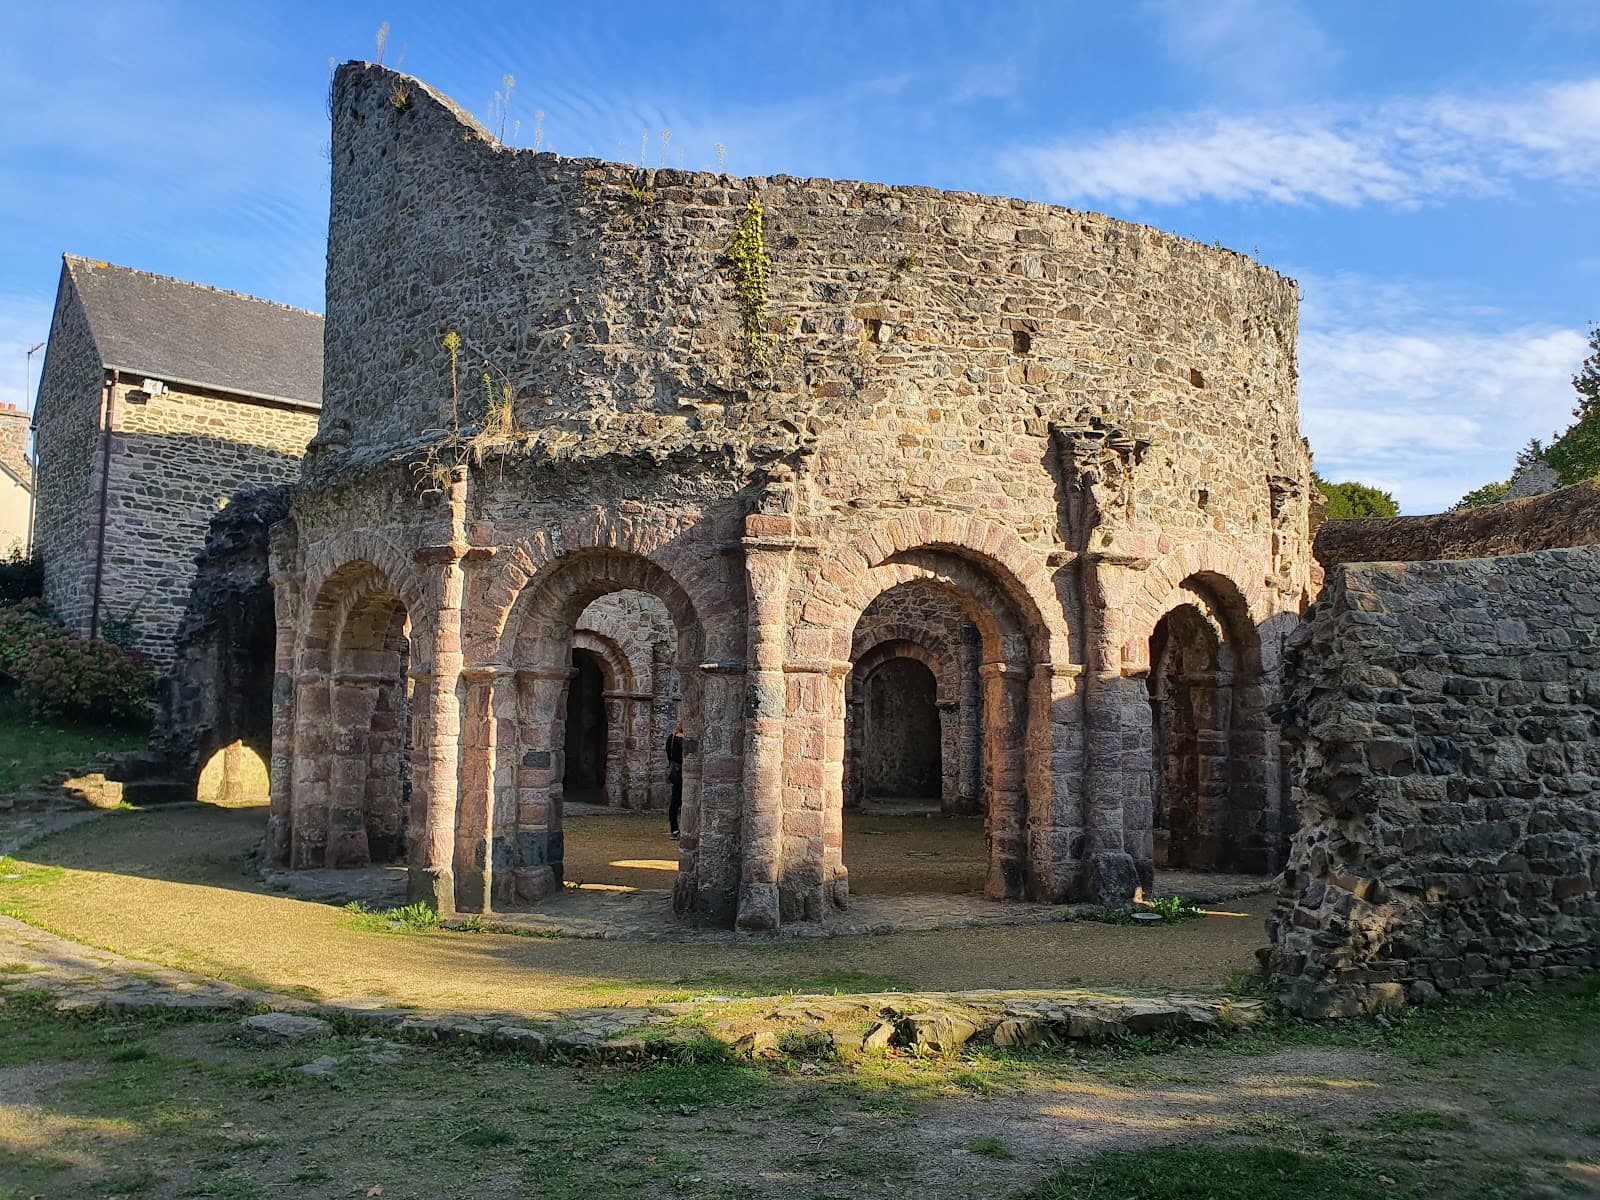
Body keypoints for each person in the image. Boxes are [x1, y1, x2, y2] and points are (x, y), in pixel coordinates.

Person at [666, 723, 684, 840]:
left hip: (676, 773)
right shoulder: (687, 739)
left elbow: (669, 755)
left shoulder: (671, 738)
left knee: (675, 803)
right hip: (684, 772)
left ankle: (674, 829)